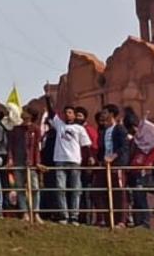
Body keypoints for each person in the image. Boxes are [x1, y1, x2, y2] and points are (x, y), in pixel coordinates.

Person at [44, 96, 92, 224]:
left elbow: (86, 146)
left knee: (75, 189)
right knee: (61, 188)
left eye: (70, 112)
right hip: (60, 160)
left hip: (75, 160)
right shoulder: (59, 125)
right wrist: (48, 99)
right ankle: (64, 215)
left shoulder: (79, 129)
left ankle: (74, 216)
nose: (67, 114)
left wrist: (90, 158)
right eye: (65, 112)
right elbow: (51, 113)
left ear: (74, 115)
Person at [9, 107, 43, 221]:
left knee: (35, 188)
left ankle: (36, 212)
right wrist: (10, 159)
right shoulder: (16, 129)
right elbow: (11, 146)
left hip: (31, 164)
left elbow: (37, 147)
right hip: (18, 162)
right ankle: (24, 212)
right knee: (19, 188)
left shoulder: (36, 129)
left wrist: (37, 162)